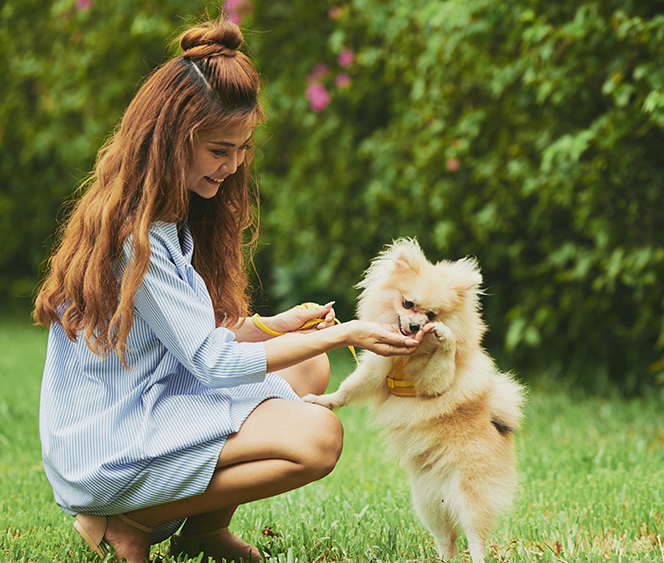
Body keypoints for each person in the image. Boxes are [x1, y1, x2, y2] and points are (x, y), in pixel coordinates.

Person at [32, 18, 419, 563]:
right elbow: (212, 362)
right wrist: (348, 335)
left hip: (149, 403)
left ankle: (202, 533)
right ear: (173, 140)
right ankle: (127, 523)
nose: (233, 164)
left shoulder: (168, 218)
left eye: (240, 148)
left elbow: (195, 336)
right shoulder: (135, 240)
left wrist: (279, 326)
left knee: (306, 370)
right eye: (220, 149)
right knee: (317, 437)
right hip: (109, 448)